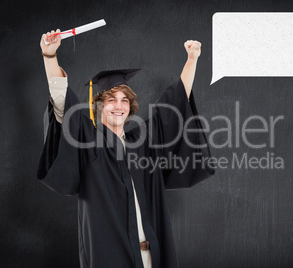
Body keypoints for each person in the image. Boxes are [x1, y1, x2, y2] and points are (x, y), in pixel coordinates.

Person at [37, 29, 215, 268]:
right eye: (111, 100)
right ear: (99, 106)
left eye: (124, 100)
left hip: (151, 255)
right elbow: (62, 105)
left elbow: (175, 103)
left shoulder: (143, 143)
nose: (118, 106)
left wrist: (192, 60)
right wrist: (50, 58)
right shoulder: (89, 143)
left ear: (131, 107)